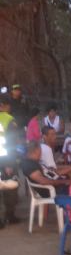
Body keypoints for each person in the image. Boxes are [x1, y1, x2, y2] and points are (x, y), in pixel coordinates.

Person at [0, 95, 20, 227]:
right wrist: (10, 164)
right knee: (10, 188)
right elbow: (12, 143)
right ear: (6, 106)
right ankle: (10, 216)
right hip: (5, 160)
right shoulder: (9, 120)